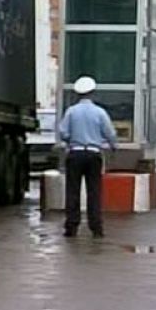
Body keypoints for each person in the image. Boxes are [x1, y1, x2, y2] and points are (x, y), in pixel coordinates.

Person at [59, 76, 118, 238]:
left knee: (72, 191)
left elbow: (63, 132)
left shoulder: (71, 112)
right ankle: (96, 227)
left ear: (78, 94)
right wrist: (114, 147)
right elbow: (110, 133)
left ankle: (71, 226)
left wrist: (71, 139)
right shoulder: (100, 112)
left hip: (75, 153)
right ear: (92, 93)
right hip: (93, 154)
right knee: (94, 191)